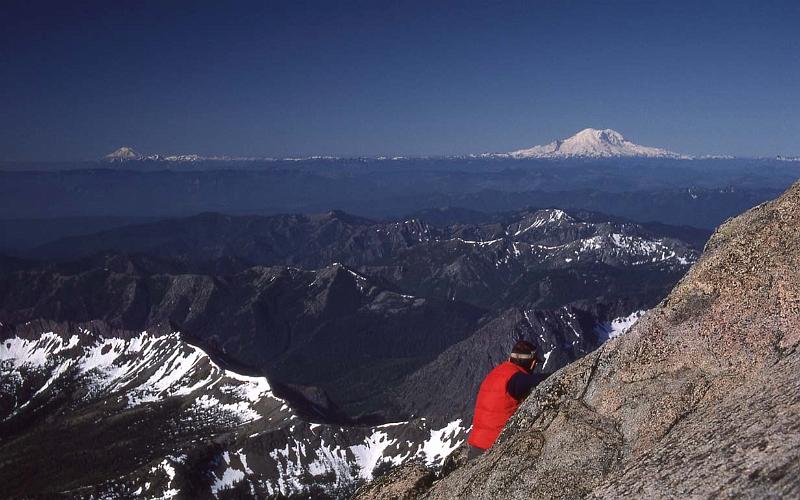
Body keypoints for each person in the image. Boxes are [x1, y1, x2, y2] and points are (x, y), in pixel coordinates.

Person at [467, 340, 547, 459]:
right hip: (494, 447)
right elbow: (538, 380)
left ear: (510, 359)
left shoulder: (495, 373)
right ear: (533, 364)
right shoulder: (516, 379)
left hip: (475, 445)